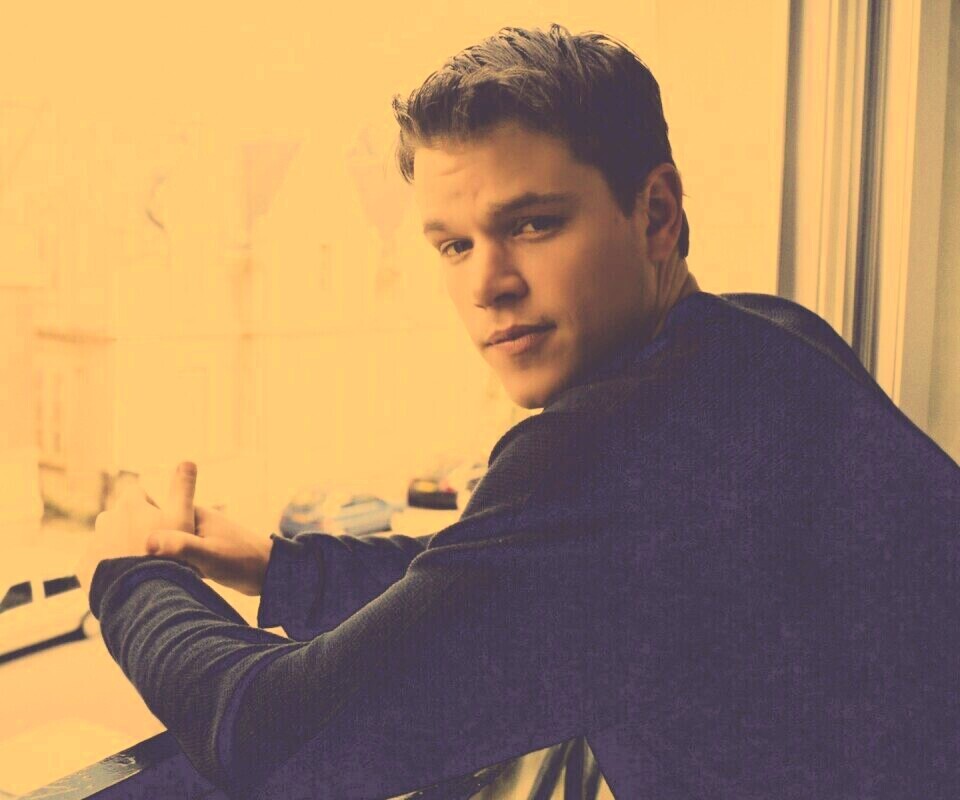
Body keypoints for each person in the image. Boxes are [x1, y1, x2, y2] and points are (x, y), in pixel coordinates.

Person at [79, 24, 960, 799]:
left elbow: (268, 737)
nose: (487, 284)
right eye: (454, 245)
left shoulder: (621, 452)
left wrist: (125, 575)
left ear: (656, 214)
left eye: (532, 225)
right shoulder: (765, 340)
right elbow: (508, 583)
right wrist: (282, 569)